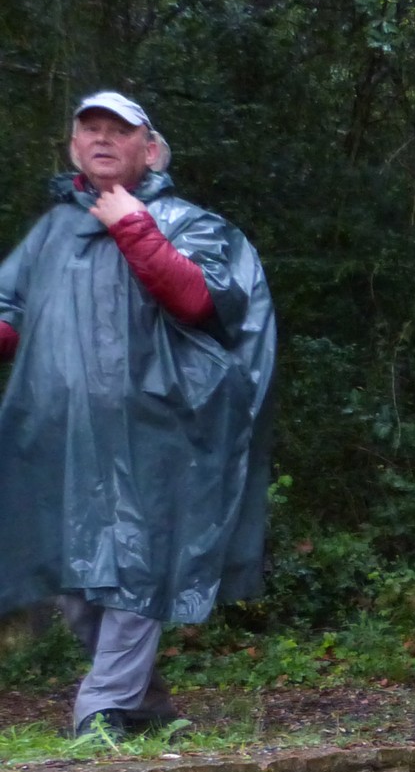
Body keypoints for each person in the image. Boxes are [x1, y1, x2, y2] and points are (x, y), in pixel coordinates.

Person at [0, 91, 277, 737]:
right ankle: (145, 705)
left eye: (118, 131)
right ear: (74, 147)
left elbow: (202, 302)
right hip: (66, 436)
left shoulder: (189, 224)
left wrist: (134, 227)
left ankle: (100, 709)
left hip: (159, 432)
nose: (102, 138)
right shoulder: (53, 234)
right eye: (90, 129)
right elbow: (8, 311)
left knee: (136, 566)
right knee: (76, 577)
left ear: (150, 151)